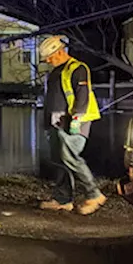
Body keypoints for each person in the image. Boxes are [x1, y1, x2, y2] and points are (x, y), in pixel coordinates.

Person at [38, 35, 107, 215]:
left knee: (70, 157)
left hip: (74, 123)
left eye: (50, 57)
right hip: (57, 123)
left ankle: (94, 194)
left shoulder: (78, 68)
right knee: (59, 160)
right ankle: (62, 199)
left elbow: (82, 95)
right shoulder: (55, 71)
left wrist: (76, 119)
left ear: (60, 52)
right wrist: (48, 123)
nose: (47, 60)